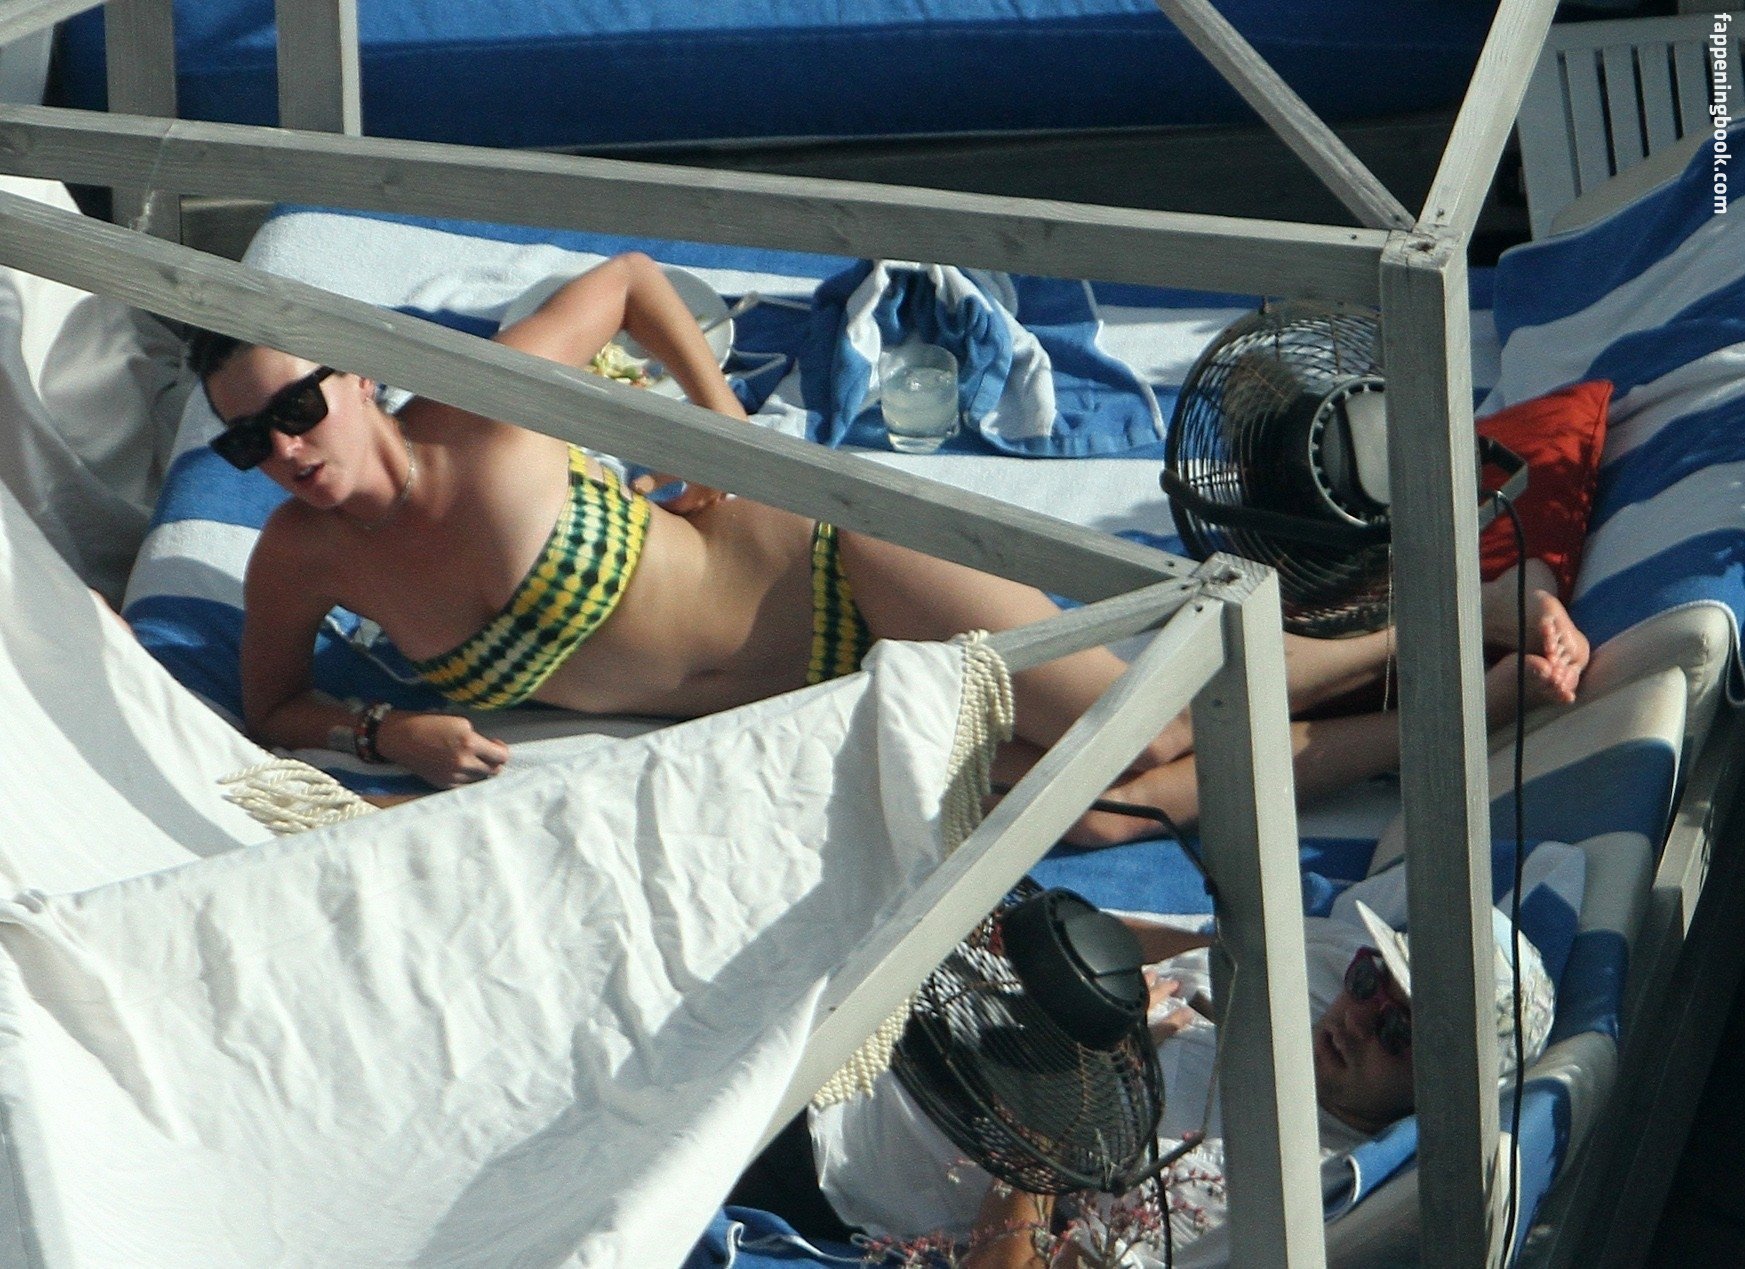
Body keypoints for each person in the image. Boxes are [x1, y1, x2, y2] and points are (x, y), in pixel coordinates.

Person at [192, 252, 1589, 842]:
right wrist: (386, 732)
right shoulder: (301, 564)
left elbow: (623, 284)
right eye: (250, 443)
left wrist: (721, 434)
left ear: (350, 373)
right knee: (1100, 812)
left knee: (1135, 731)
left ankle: (1453, 627)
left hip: (836, 563)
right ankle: (1457, 707)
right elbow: (274, 708)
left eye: (297, 408)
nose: (287, 451)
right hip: (814, 699)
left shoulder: (483, 405)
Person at [808, 900, 1556, 1266]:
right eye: (1370, 979)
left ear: (1441, 1095)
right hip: (878, 964)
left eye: (1399, 1032)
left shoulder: (1253, 1187)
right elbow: (1167, 937)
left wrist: (1070, 1089)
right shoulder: (1319, 967)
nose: (1360, 1015)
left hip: (836, 1114)